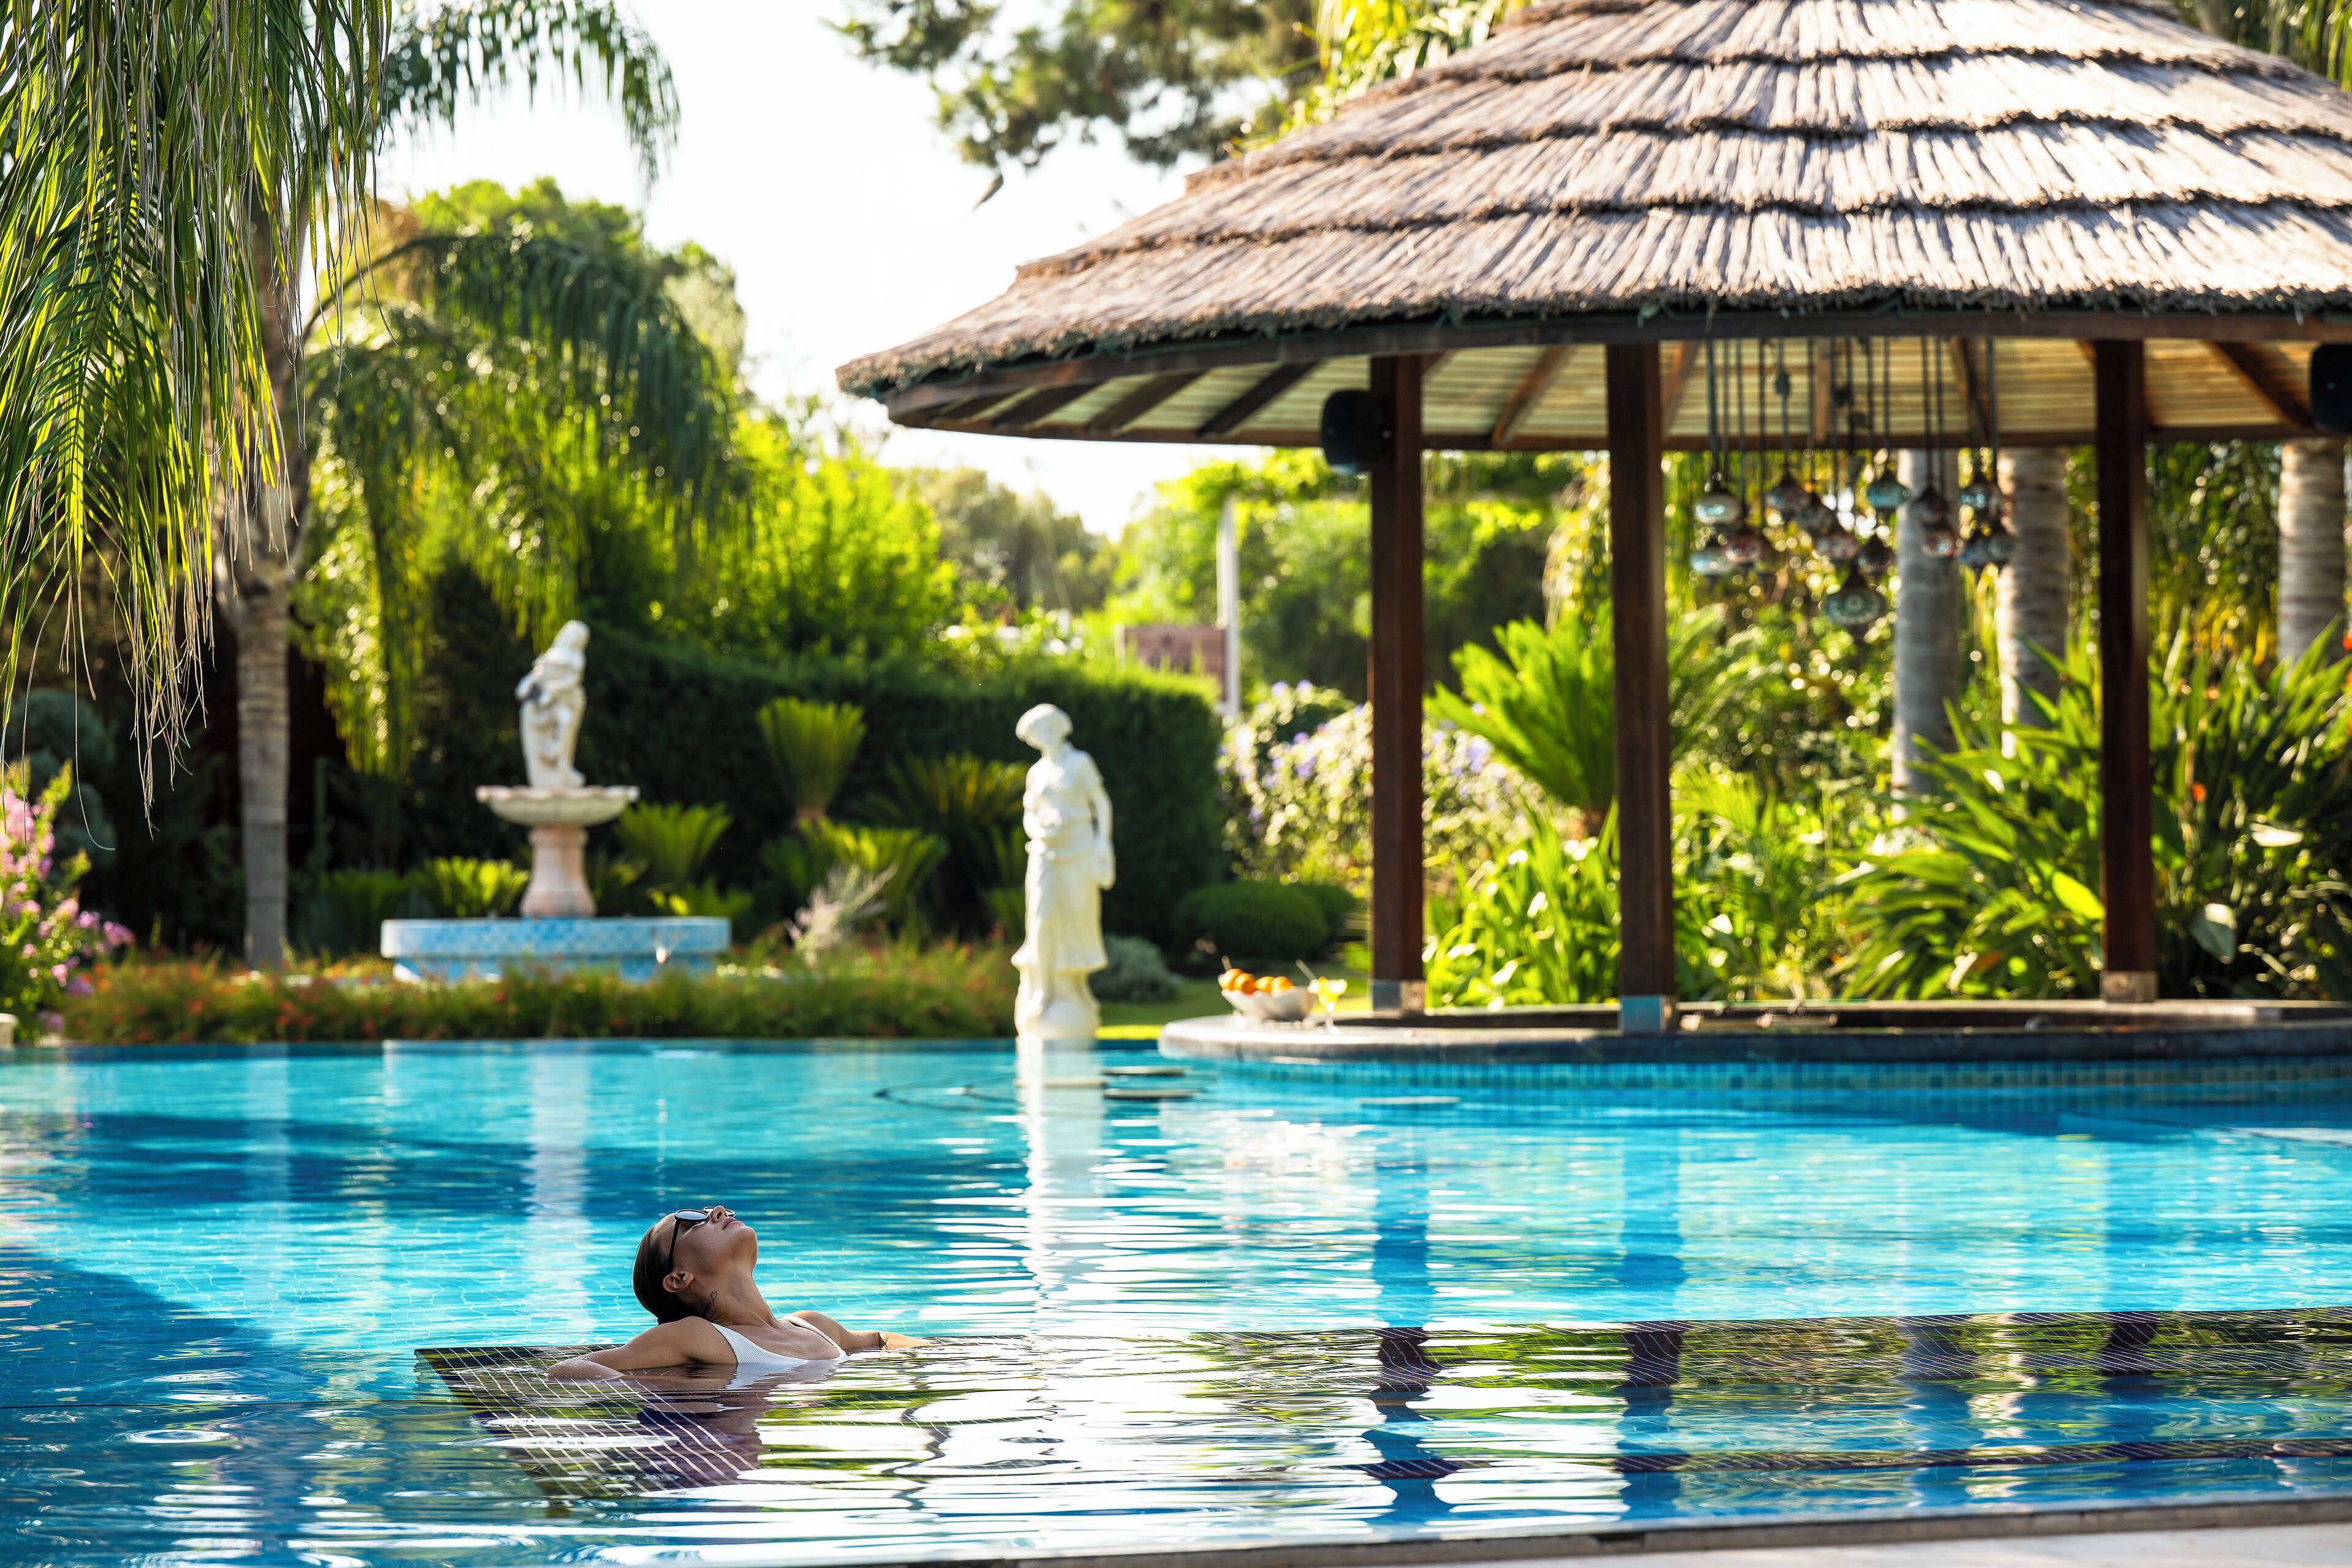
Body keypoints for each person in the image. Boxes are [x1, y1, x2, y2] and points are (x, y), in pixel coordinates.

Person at [549, 1205, 918, 1380]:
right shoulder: (695, 1335)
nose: (717, 1211)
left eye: (709, 1210)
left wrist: (936, 1355)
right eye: (691, 1221)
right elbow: (569, 1369)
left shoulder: (812, 1324)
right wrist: (659, 1385)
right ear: (679, 1279)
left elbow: (880, 1340)